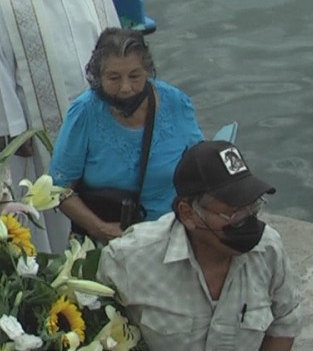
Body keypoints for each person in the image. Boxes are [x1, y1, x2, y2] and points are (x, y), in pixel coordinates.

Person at [0, 0, 120, 253]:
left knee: (110, 187)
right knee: (56, 204)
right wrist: (15, 131)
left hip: (104, 111)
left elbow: (114, 31)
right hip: (45, 122)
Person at [97, 141, 302, 351]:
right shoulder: (128, 258)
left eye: (252, 206)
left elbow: (284, 322)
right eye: (233, 213)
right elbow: (96, 326)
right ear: (188, 214)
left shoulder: (268, 249)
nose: (247, 220)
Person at [50, 28, 203, 241]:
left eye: (134, 76)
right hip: (111, 241)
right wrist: (99, 229)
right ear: (98, 76)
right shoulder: (84, 112)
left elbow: (202, 169)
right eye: (114, 78)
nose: (125, 88)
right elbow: (59, 189)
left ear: (147, 72)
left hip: (173, 234)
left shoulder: (177, 103)